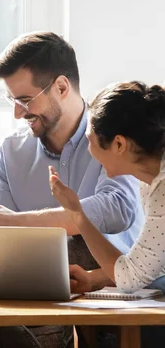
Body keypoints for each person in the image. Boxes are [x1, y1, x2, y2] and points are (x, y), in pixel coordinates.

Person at [0, 31, 143, 256]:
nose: (16, 113)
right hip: (29, 282)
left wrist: (17, 222)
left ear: (61, 87)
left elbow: (117, 210)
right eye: (12, 100)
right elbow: (2, 238)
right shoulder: (8, 152)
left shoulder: (114, 137)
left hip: (110, 284)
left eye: (25, 100)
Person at [50, 81, 165, 348]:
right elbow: (155, 261)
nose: (88, 150)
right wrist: (94, 278)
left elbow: (130, 279)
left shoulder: (162, 191)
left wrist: (77, 214)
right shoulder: (151, 183)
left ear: (119, 144)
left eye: (90, 139)